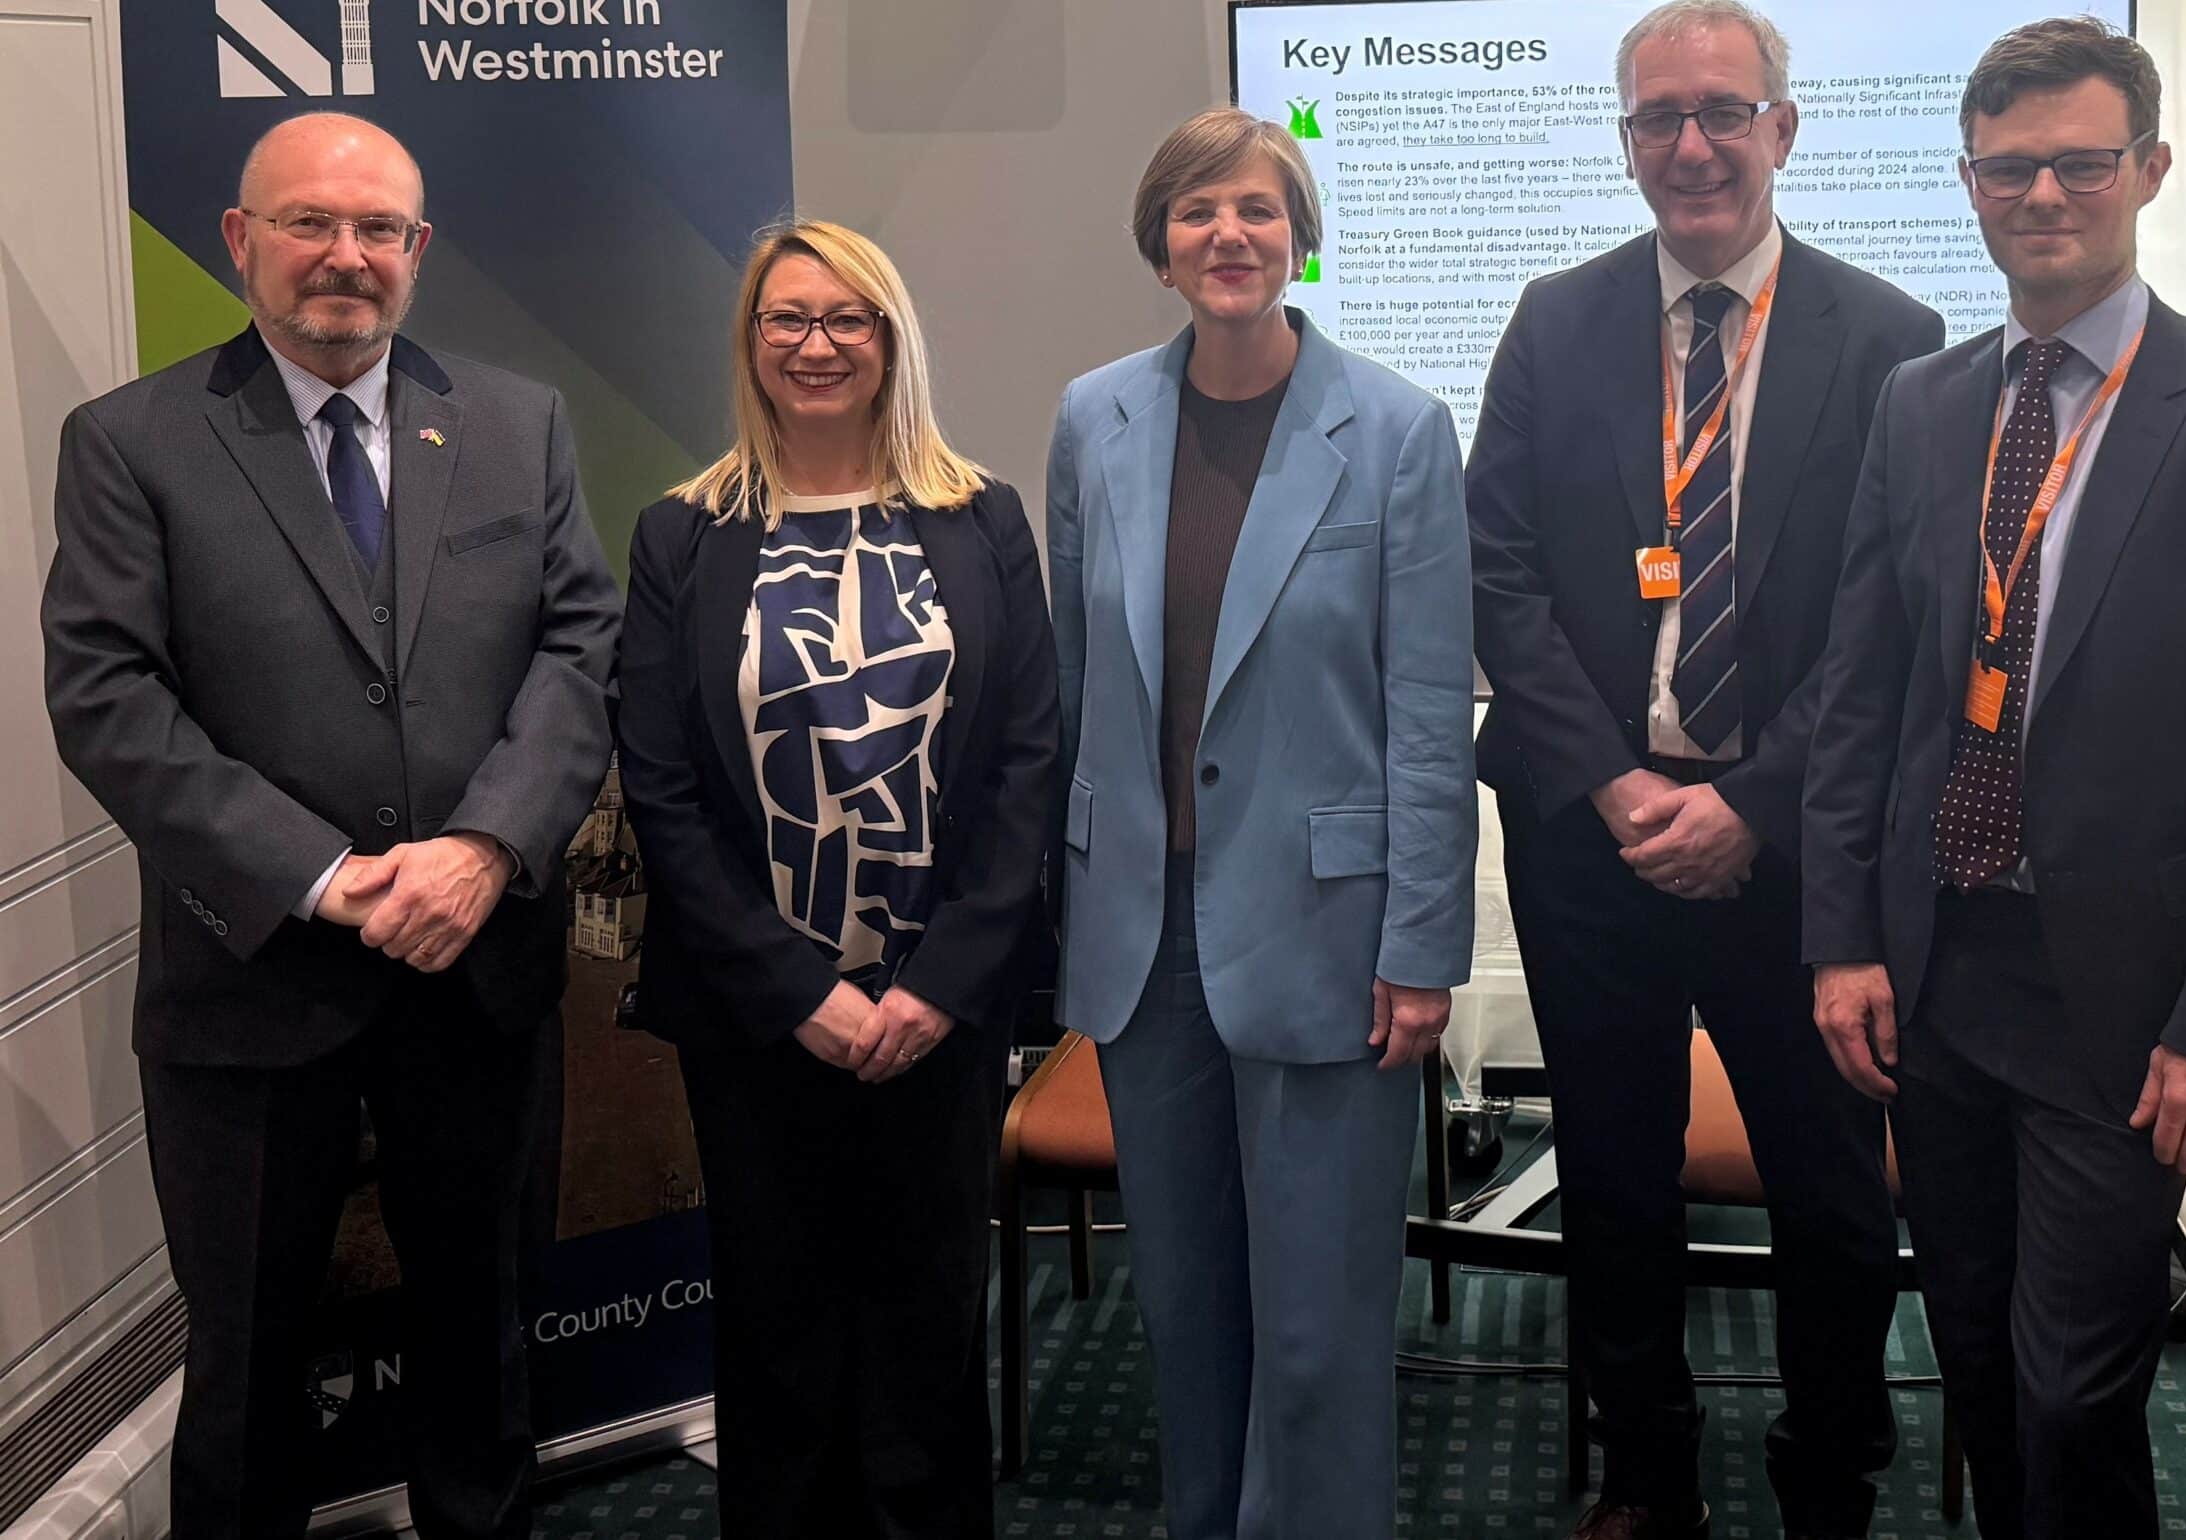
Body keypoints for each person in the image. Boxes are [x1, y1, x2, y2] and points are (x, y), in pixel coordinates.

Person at [1801, 17, 2186, 1540]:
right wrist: (1845, 937)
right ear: (1970, 184)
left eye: (2078, 163)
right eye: (2008, 167)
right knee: (1974, 1355)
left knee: (2074, 1383)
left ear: (2148, 171)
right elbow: (1868, 695)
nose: (2042, 194)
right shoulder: (1923, 403)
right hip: (1941, 969)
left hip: (2124, 1001)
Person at [40, 113, 618, 1539]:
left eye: (378, 231)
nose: (344, 258)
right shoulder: (132, 442)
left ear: (418, 252)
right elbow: (110, 696)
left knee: (483, 1333)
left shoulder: (515, 419)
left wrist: (484, 848)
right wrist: (325, 878)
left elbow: (578, 649)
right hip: (250, 989)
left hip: (474, 974)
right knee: (244, 1361)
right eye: (309, 224)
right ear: (243, 241)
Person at [1468, 0, 1944, 1540]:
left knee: (1829, 1190)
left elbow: (1883, 624)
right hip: (1590, 839)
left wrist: (1745, 802)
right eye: (1657, 120)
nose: (1691, 147)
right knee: (1610, 1170)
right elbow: (1500, 576)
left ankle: (1830, 1472)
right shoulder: (1556, 318)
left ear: (1782, 130)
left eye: (1722, 113)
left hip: (1796, 851)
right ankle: (1647, 1474)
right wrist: (1620, 791)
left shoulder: (1892, 342)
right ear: (1626, 143)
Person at [1046, 107, 1475, 1540]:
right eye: (1195, 212)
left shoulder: (1399, 431)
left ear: (1301, 239)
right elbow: (1071, 677)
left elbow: (1427, 715)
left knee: (1315, 1331)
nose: (1227, 235)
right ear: (1159, 248)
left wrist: (1424, 946)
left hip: (1329, 939)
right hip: (1144, 939)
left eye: (1257, 209)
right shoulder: (1093, 418)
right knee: (1186, 1309)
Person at [615, 220, 1058, 1538]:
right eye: (787, 320)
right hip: (760, 1012)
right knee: (778, 1317)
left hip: (942, 1006)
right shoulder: (682, 537)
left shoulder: (981, 519)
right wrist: (794, 987)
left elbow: (1030, 758)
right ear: (751, 344)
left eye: (847, 318)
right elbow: (661, 783)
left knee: (929, 1314)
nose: (817, 345)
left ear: (890, 339)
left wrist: (941, 983)